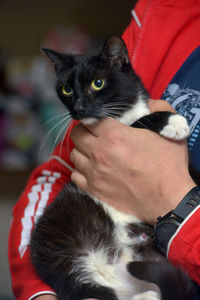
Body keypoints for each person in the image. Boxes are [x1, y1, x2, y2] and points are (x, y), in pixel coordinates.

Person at [8, 0, 200, 299]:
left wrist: (176, 200)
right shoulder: (163, 12)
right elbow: (52, 178)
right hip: (91, 261)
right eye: (69, 92)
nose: (79, 103)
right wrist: (40, 294)